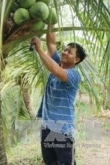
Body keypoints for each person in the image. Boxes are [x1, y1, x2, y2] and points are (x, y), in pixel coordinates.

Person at [30, 25, 86, 165]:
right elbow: (51, 43)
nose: (65, 52)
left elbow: (55, 70)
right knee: (50, 162)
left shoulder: (73, 75)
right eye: (65, 50)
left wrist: (38, 49)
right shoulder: (58, 61)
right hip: (47, 127)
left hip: (63, 131)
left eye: (70, 52)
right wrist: (51, 22)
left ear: (77, 60)